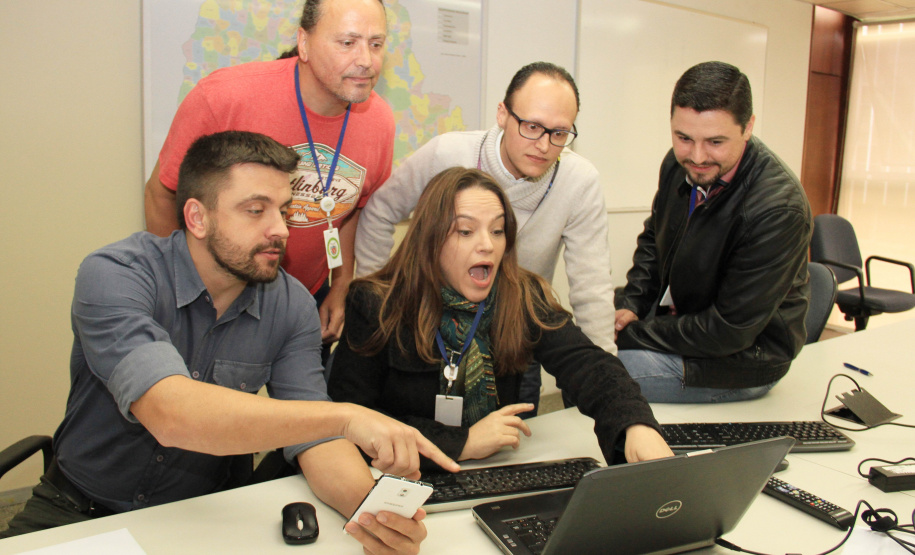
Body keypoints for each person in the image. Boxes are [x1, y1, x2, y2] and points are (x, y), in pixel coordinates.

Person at [1, 132, 457, 553]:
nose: (281, 229)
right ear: (197, 217)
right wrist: (347, 417)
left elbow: (315, 438)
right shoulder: (117, 274)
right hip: (75, 511)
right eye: (256, 210)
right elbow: (171, 413)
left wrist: (373, 514)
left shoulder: (291, 305)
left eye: (284, 210)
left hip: (200, 518)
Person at [329, 167, 672, 468]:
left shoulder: (521, 295)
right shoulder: (376, 304)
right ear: (430, 239)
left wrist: (635, 425)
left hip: (494, 468)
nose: (488, 245)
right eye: (466, 231)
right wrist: (461, 443)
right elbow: (348, 418)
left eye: (497, 231)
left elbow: (588, 365)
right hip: (399, 479)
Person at [355, 61, 616, 416]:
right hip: (431, 331)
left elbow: (592, 287)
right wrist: (379, 307)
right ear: (503, 114)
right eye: (532, 127)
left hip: (511, 333)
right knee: (416, 428)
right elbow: (379, 211)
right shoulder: (447, 154)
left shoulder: (579, 180)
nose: (543, 145)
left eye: (559, 133)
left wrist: (606, 384)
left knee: (512, 439)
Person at [144, 0, 393, 349]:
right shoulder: (223, 98)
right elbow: (162, 193)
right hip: (215, 297)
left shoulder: (380, 122)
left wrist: (340, 285)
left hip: (305, 300)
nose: (366, 60)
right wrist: (179, 292)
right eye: (347, 42)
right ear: (304, 43)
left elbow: (352, 208)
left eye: (376, 44)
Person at [614, 61, 812, 403]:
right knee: (586, 349)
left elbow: (728, 331)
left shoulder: (778, 210)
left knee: (596, 372)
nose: (697, 156)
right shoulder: (678, 164)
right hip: (687, 326)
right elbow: (654, 239)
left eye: (715, 141)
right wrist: (632, 303)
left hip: (740, 359)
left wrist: (633, 332)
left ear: (748, 127)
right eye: (683, 138)